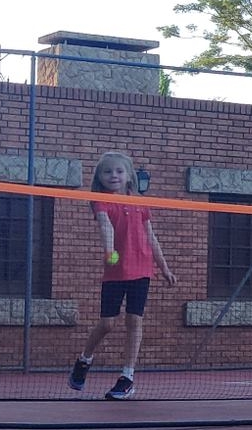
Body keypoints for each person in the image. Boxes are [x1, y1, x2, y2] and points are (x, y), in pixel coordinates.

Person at [68, 151, 176, 399]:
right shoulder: (100, 200)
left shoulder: (139, 202)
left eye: (119, 171)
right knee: (107, 323)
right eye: (107, 172)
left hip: (142, 270)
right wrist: (109, 251)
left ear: (129, 176)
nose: (113, 175)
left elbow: (151, 237)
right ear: (100, 177)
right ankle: (84, 360)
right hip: (116, 271)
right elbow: (105, 225)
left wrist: (165, 267)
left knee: (134, 320)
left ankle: (127, 376)